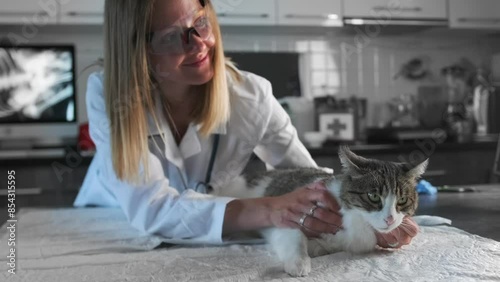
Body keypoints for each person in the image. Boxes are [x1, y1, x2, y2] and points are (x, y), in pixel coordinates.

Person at [74, 0, 418, 247]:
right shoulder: (109, 94)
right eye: (170, 37)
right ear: (137, 49)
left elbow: (302, 178)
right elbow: (153, 210)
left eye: (201, 24)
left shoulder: (251, 94)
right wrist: (271, 210)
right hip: (112, 224)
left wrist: (361, 211)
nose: (198, 45)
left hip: (217, 229)